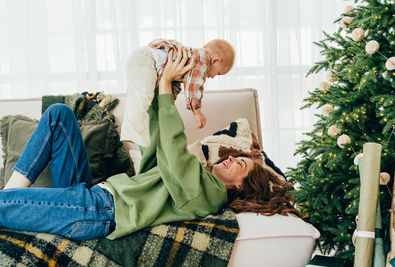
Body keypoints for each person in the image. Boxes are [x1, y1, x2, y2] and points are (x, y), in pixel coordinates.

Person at [1, 48, 300, 241]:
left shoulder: (208, 196)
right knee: (59, 115)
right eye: (238, 158)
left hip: (98, 211)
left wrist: (165, 91)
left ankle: (10, 197)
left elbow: (173, 148)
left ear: (239, 187)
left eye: (241, 165)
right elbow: (158, 150)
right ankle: (11, 192)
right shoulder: (197, 179)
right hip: (92, 193)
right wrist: (165, 87)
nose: (232, 159)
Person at [120, 38, 235, 147]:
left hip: (142, 57)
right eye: (218, 73)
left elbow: (175, 85)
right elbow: (194, 86)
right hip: (146, 60)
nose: (214, 77)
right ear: (216, 60)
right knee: (142, 96)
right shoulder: (201, 62)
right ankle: (133, 133)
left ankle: (136, 133)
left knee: (140, 96)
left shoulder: (189, 56)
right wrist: (197, 111)